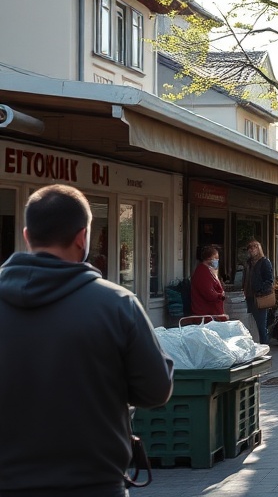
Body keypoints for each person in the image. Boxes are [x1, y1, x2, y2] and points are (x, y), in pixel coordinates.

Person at [0, 184, 173, 496]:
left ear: (27, 236)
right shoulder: (117, 305)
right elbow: (155, 390)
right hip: (95, 486)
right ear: (83, 237)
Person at [243, 238, 275, 344]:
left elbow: (269, 280)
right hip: (249, 296)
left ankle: (264, 346)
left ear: (259, 248)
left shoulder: (264, 262)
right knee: (251, 324)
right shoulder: (248, 263)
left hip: (259, 297)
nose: (251, 250)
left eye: (254, 247)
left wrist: (260, 290)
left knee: (261, 325)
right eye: (249, 248)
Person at [191, 244, 226, 317]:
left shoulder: (209, 271)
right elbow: (209, 294)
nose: (217, 260)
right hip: (207, 316)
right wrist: (220, 295)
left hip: (212, 314)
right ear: (209, 258)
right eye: (215, 258)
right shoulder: (202, 272)